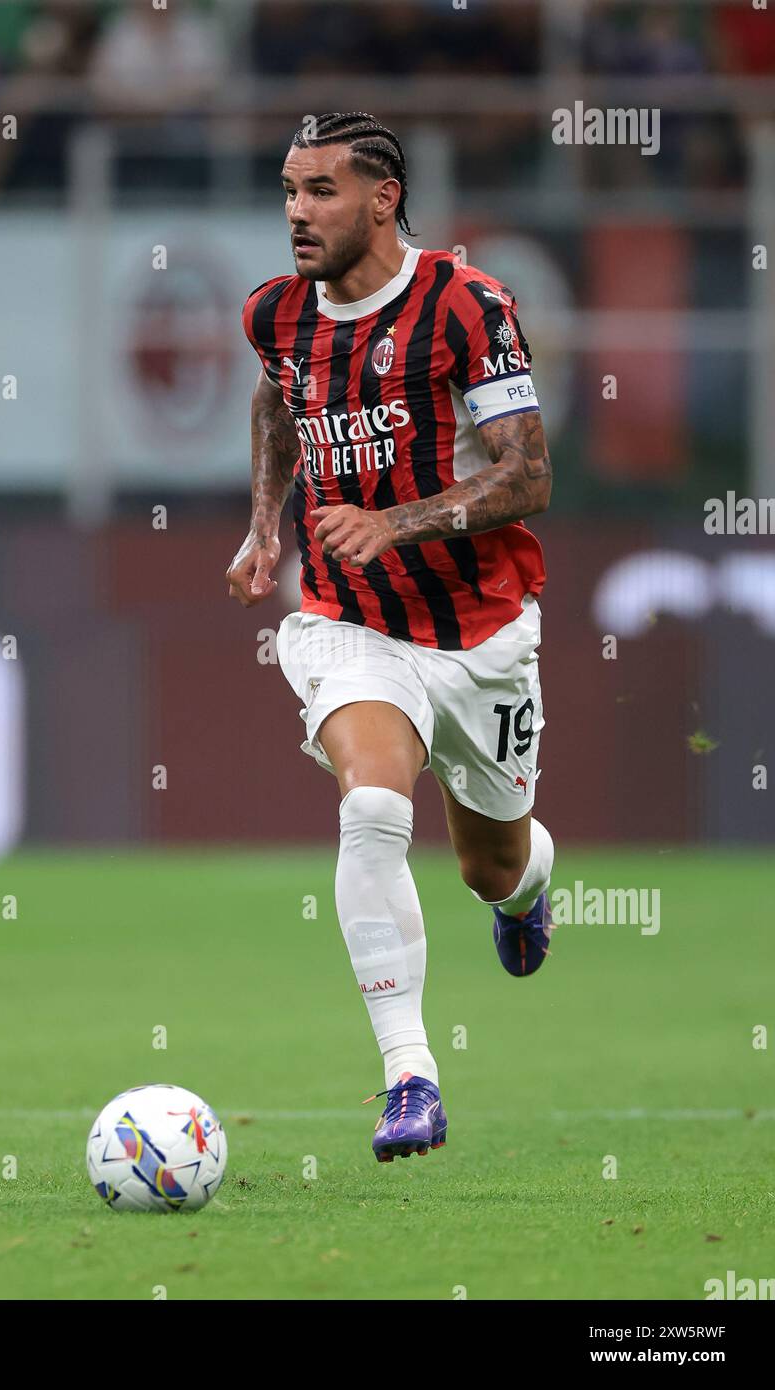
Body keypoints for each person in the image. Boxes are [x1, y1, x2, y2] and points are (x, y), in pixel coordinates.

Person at [228, 113, 554, 1163]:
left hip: (481, 634)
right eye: (287, 190)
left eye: (320, 190)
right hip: (346, 620)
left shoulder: (466, 305)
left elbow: (528, 475)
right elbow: (280, 405)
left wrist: (395, 522)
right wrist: (262, 525)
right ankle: (409, 1075)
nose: (295, 212)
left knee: (490, 863)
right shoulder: (276, 315)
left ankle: (527, 890)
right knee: (370, 803)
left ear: (383, 198)